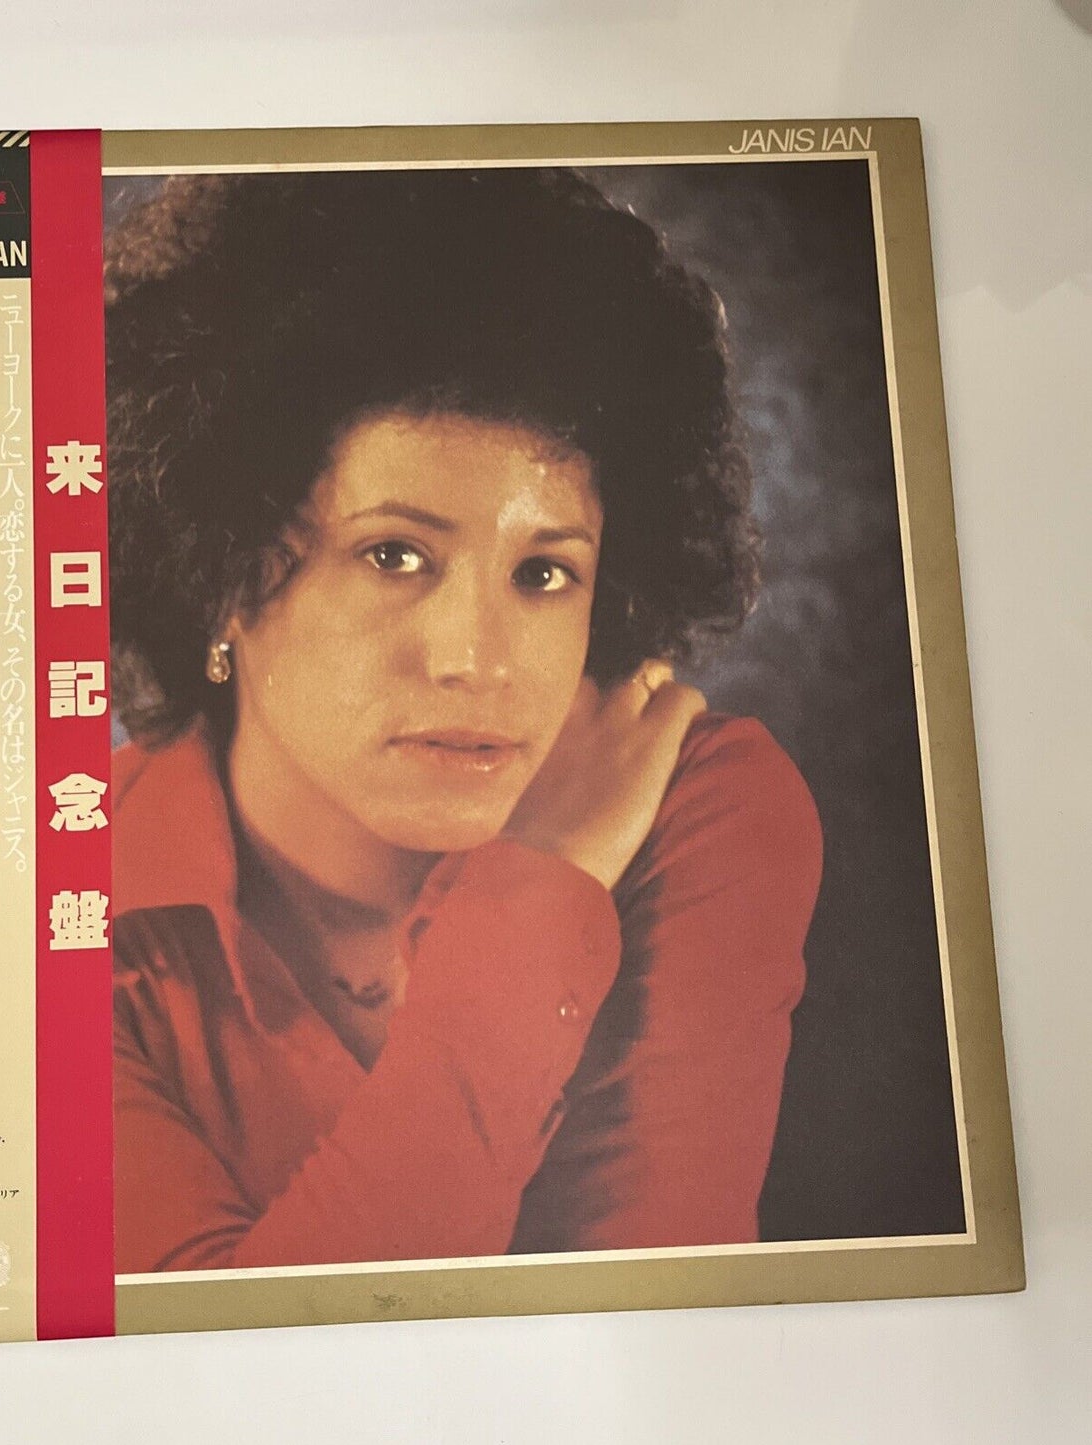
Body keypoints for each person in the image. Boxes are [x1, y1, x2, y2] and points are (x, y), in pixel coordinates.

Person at [103, 167, 822, 1273]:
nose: (478, 658)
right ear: (221, 581)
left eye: (543, 572)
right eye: (394, 556)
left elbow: (640, 1307)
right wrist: (542, 889)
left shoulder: (697, 808)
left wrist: (547, 885)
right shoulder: (61, 903)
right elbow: (220, 1346)